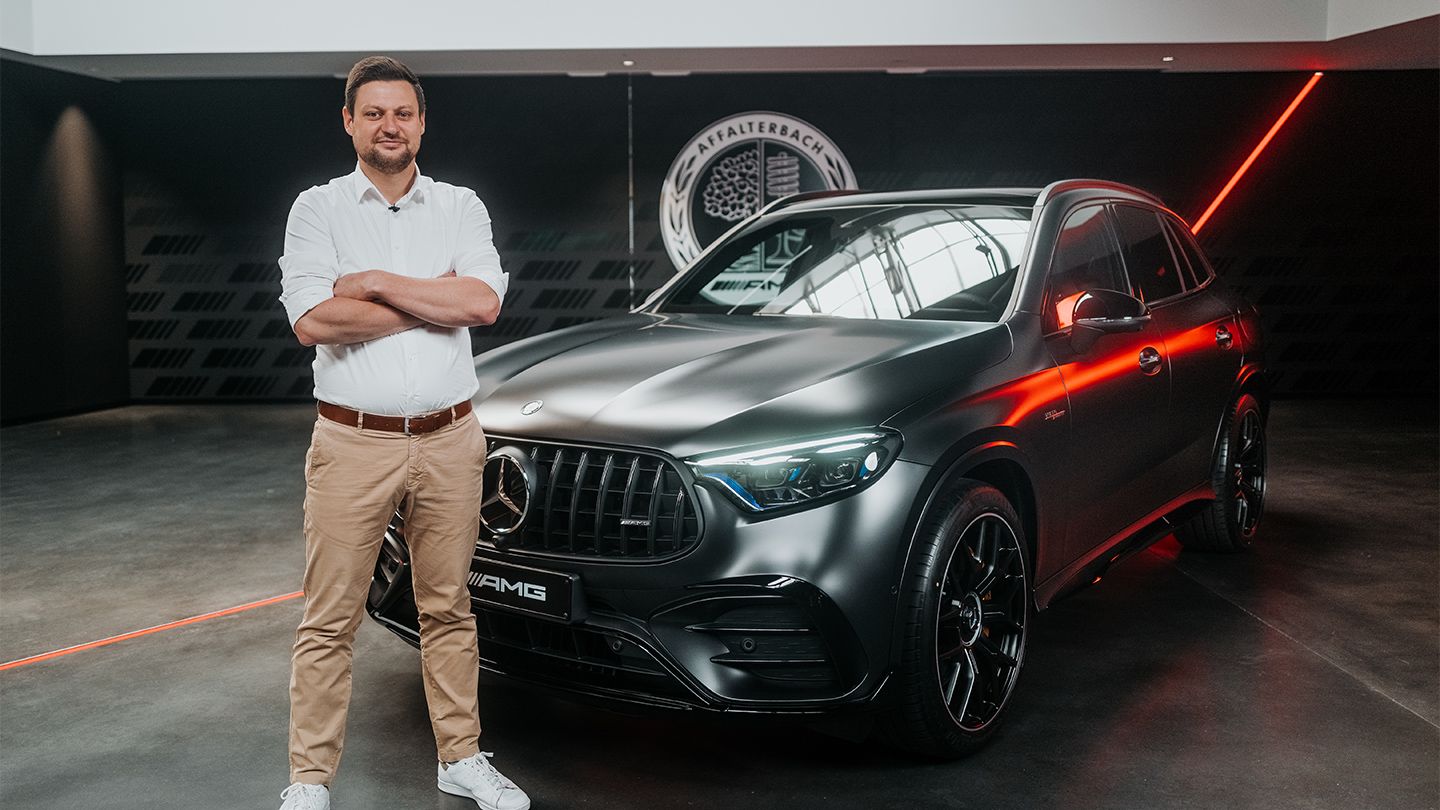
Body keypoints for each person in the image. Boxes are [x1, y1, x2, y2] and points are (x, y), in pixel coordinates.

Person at [275, 55, 530, 810]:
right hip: (353, 442)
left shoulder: (461, 207)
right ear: (349, 122)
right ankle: (309, 779)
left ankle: (461, 759)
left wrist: (376, 284)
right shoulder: (317, 209)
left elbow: (481, 305)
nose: (390, 125)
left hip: (452, 440)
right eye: (375, 113)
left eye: (403, 113)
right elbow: (313, 320)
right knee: (329, 618)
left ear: (421, 123)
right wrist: (431, 300)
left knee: (447, 608)